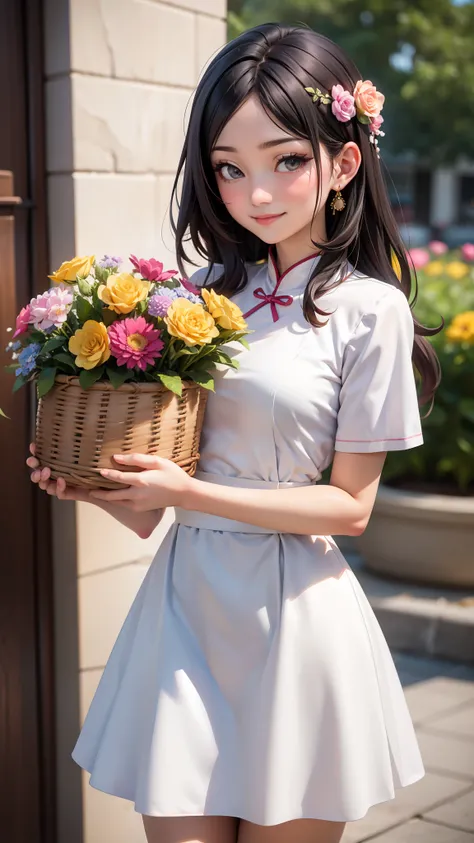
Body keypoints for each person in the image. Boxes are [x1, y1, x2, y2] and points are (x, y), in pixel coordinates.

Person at [28, 23, 441, 843]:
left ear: (345, 163)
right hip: (186, 609)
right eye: (229, 167)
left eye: (287, 160)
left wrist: (183, 491)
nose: (256, 192)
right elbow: (157, 510)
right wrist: (103, 488)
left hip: (299, 622)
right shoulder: (200, 299)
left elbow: (351, 509)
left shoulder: (371, 310)